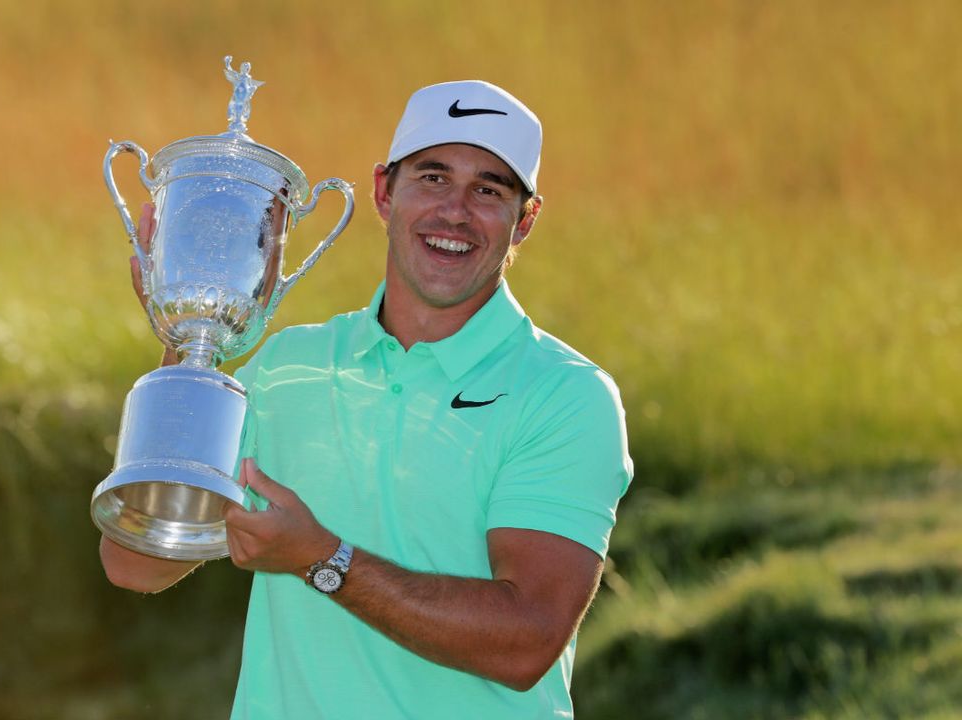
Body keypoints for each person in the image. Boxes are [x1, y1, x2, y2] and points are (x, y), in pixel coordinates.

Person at [101, 80, 633, 719]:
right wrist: (188, 346)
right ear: (385, 191)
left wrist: (323, 559)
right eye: (432, 178)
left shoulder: (567, 395)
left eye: (489, 190)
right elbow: (134, 560)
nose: (455, 212)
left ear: (525, 220)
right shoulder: (287, 367)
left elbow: (527, 642)